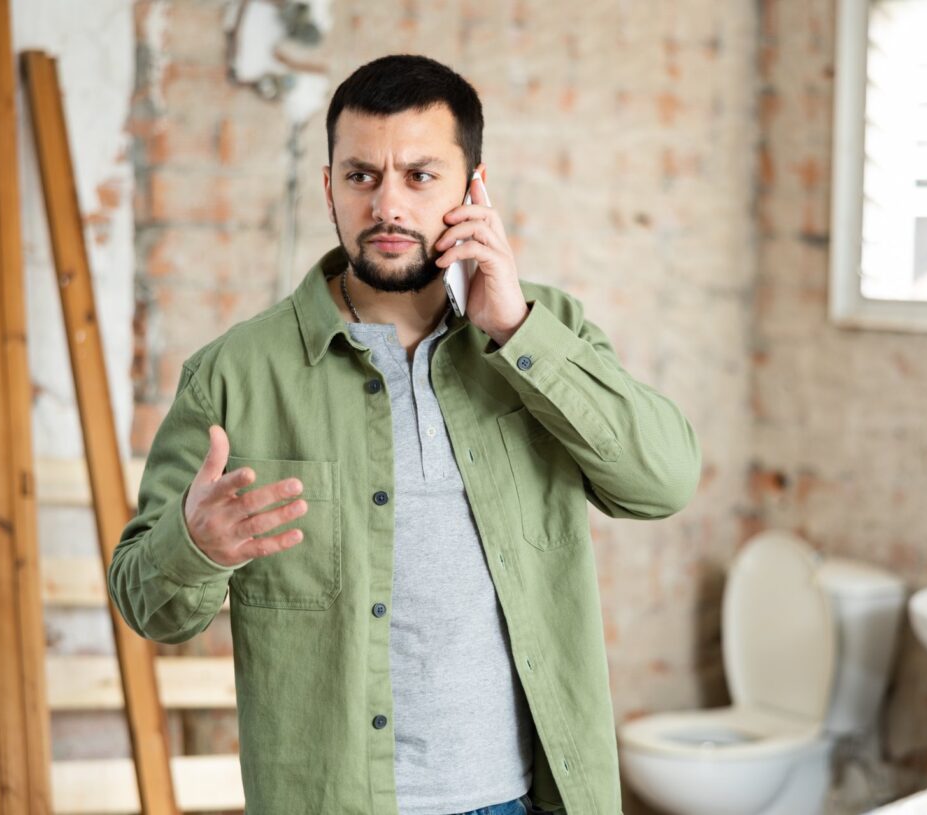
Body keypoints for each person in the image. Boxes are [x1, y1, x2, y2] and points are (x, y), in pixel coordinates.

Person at [109, 54, 701, 815]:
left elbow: (664, 482)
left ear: (472, 188)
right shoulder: (234, 375)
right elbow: (148, 606)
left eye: (420, 176)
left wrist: (517, 330)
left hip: (522, 799)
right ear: (330, 187)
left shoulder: (546, 334)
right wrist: (195, 547)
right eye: (361, 176)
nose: (387, 204)